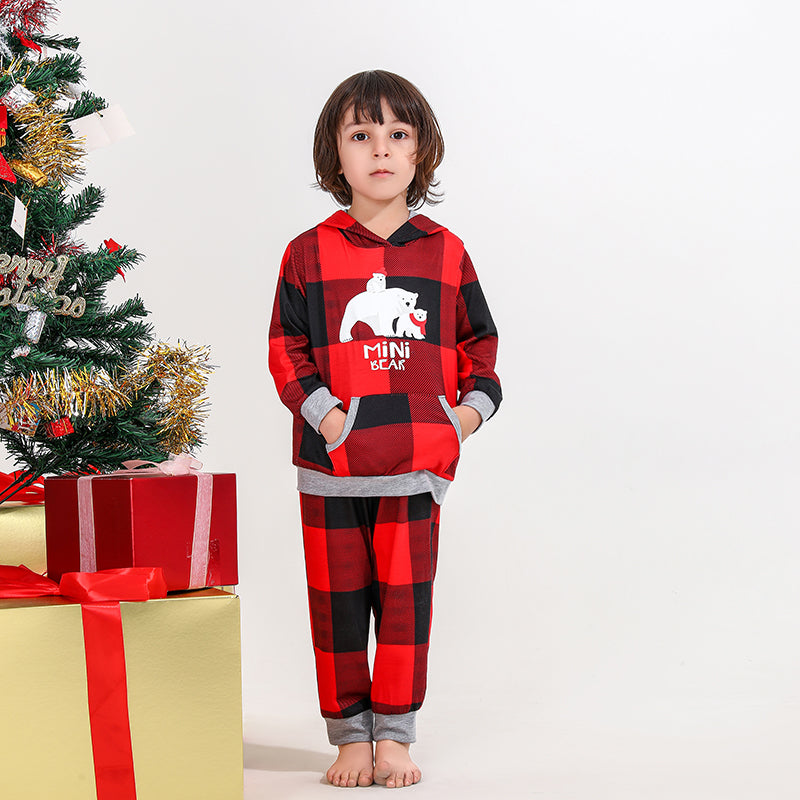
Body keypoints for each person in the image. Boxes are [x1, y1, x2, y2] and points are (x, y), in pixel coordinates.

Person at [269, 69, 502, 789]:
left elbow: (480, 346)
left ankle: (395, 736)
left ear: (421, 151)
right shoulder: (307, 252)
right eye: (360, 135)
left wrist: (463, 416)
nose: (380, 150)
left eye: (397, 135)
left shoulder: (445, 250)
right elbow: (286, 349)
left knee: (403, 606)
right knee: (337, 608)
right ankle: (348, 738)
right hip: (332, 467)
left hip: (416, 463)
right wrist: (329, 417)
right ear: (333, 156)